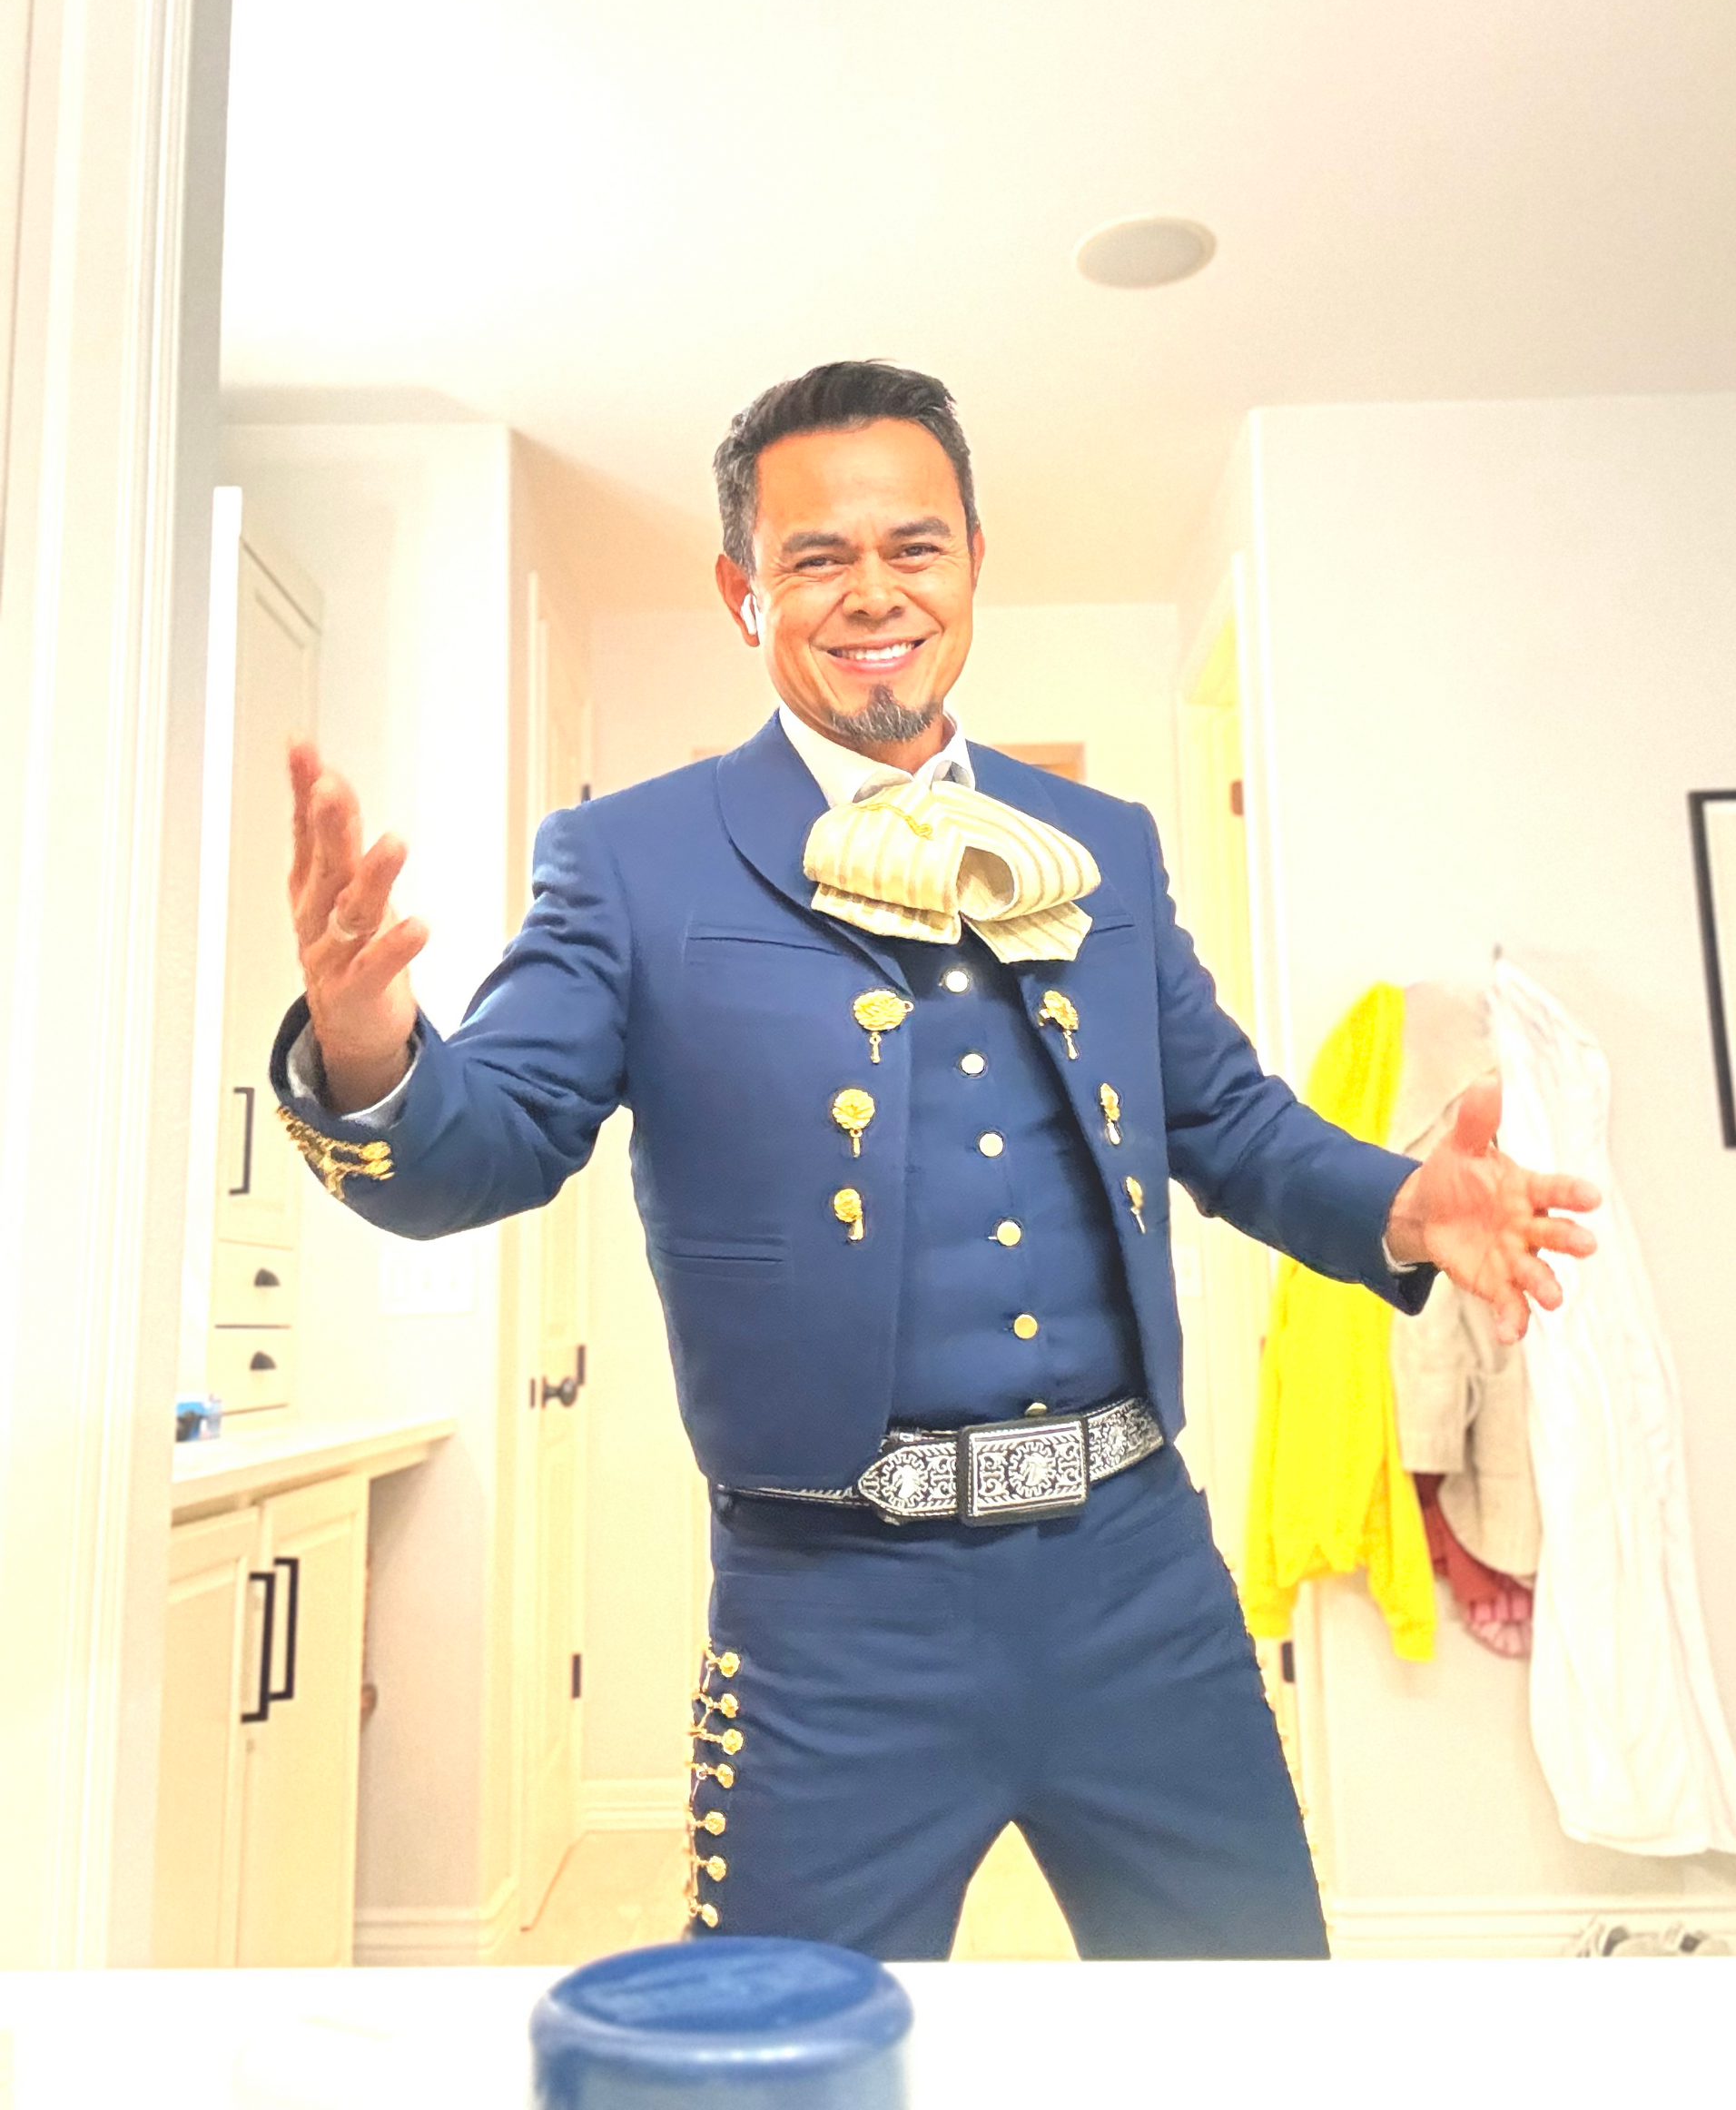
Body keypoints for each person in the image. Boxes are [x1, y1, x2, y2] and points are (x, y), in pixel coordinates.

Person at [272, 360, 1599, 1958]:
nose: (871, 593)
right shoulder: (630, 859)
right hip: (831, 1611)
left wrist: (1398, 1195)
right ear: (740, 591)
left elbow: (1226, 1121)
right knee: (784, 2066)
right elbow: (479, 1146)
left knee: (1247, 2041)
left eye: (915, 546)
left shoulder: (1100, 847)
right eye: (816, 557)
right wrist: (364, 1046)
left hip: (1138, 1578)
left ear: (976, 558)